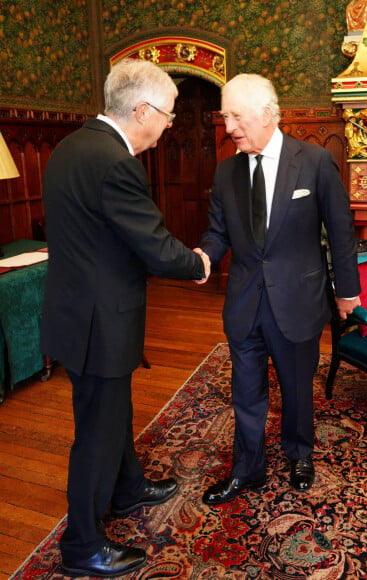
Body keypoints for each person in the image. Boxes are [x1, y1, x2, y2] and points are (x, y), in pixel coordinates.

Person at [40, 59, 210, 578]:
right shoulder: (117, 163)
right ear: (142, 110)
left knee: (113, 413)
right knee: (95, 431)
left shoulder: (72, 147)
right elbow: (156, 249)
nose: (169, 125)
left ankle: (128, 486)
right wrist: (198, 263)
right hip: (99, 323)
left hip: (77, 315)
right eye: (168, 114)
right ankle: (82, 545)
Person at [199, 74, 361, 506]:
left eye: (237, 116)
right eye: (225, 115)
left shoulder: (314, 161)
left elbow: (341, 232)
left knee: (296, 388)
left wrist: (347, 291)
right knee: (246, 392)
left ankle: (299, 454)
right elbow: (218, 234)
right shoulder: (226, 172)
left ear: (268, 114)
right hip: (244, 303)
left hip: (298, 300)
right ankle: (247, 469)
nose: (229, 125)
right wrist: (204, 258)